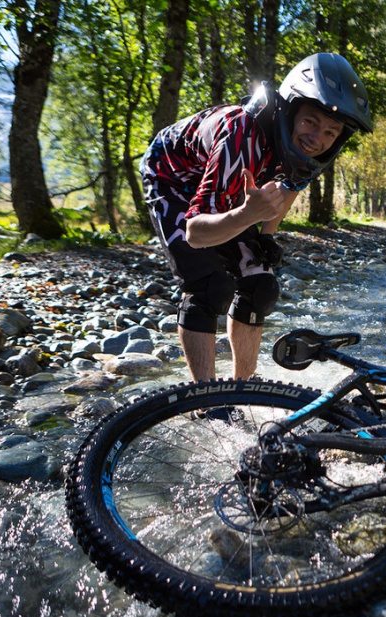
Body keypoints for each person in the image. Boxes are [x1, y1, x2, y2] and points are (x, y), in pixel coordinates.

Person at [140, 53, 373, 382]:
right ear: (291, 111)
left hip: (227, 183)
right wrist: (246, 214)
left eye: (330, 132)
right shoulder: (241, 134)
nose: (317, 138)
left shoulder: (308, 152)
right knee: (209, 286)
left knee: (260, 285)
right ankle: (207, 404)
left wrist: (265, 236)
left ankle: (242, 390)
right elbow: (195, 234)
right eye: (310, 122)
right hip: (173, 177)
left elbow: (289, 188)